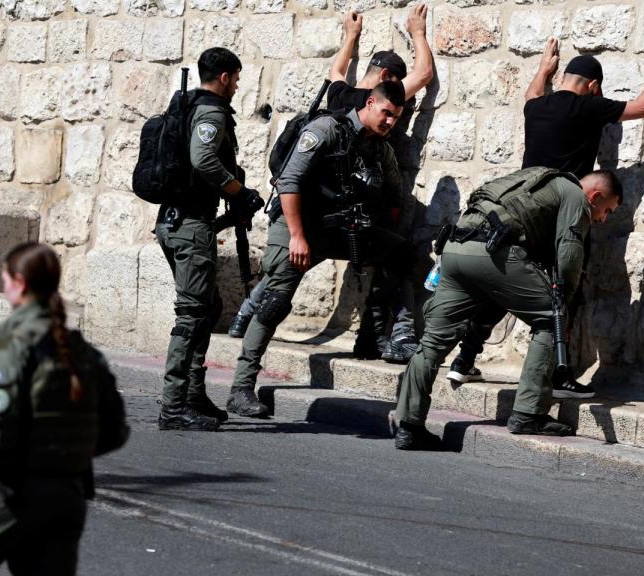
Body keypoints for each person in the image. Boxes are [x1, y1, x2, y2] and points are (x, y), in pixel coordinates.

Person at [446, 34, 644, 399]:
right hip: (561, 217)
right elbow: (643, 108)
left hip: (521, 213)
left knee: (501, 290)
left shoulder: (537, 108)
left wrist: (543, 69)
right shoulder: (587, 108)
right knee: (563, 295)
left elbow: (531, 94)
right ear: (592, 86)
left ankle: (464, 359)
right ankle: (557, 373)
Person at [229, 6, 435, 365]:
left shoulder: (339, 96)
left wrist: (350, 36)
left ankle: (245, 313)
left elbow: (336, 71)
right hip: (340, 212)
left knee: (294, 266)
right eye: (393, 107)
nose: (394, 114)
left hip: (323, 213)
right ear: (385, 81)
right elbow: (425, 73)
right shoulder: (385, 101)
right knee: (373, 257)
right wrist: (418, 31)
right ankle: (393, 336)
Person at [0, 242, 130, 575]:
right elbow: (115, 431)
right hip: (69, 495)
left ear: (19, 283)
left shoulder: (18, 348)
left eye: (4, 278)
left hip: (11, 495)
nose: (3, 285)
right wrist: (62, 454)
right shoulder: (83, 352)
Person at [393, 167, 622, 449]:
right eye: (607, 210)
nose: (602, 219)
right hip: (495, 252)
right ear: (596, 196)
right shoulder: (575, 195)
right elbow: (569, 251)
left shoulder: (534, 178)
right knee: (553, 320)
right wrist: (563, 298)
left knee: (431, 342)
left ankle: (408, 426)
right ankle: (529, 413)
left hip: (455, 248)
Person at [226, 82, 413, 417]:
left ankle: (378, 336)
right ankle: (241, 387)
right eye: (385, 113)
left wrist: (377, 226)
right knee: (275, 302)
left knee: (400, 252)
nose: (389, 122)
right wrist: (297, 236)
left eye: (395, 118)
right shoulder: (326, 129)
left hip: (341, 229)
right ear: (370, 103)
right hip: (298, 225)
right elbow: (290, 181)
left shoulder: (380, 149)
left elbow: (395, 195)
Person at [155, 47, 263, 431]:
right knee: (192, 313)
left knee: (208, 305)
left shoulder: (184, 107)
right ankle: (173, 404)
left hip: (173, 222)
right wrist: (237, 190)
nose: (237, 86)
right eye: (236, 78)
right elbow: (203, 159)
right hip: (189, 225)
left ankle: (193, 394)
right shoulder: (212, 112)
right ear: (224, 77)